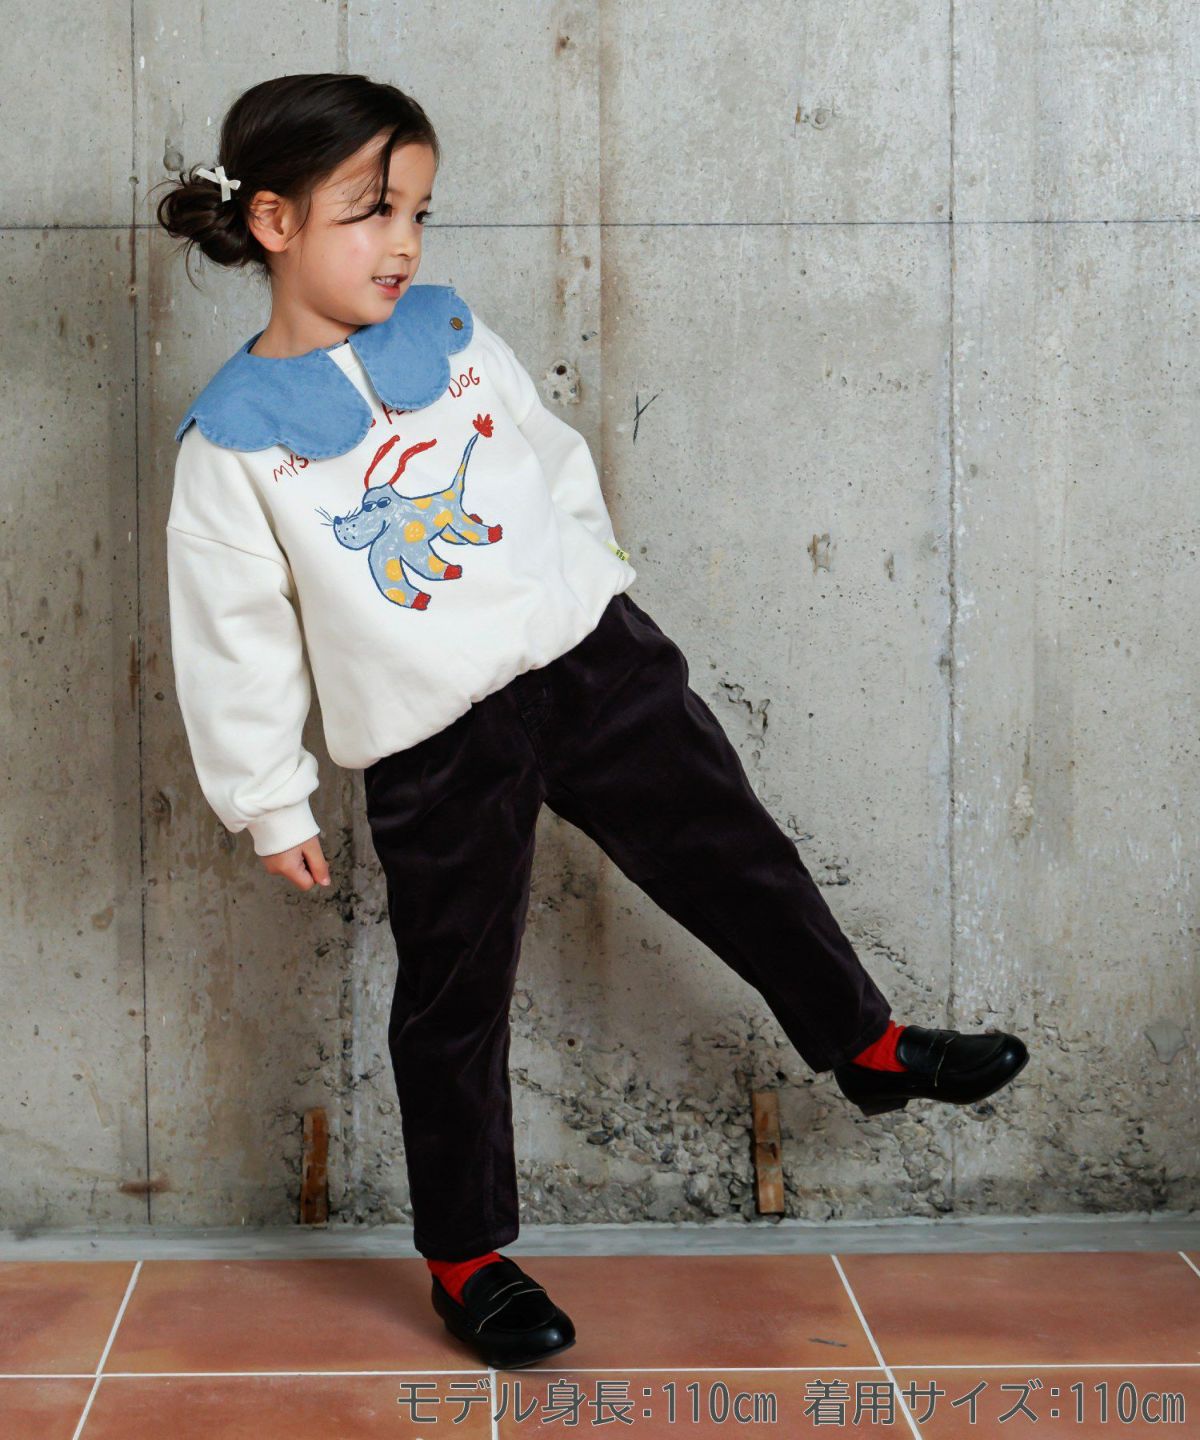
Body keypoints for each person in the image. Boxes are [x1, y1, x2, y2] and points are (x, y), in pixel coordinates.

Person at [154, 72, 1029, 1370]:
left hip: (591, 665)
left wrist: (593, 579)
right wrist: (267, 800)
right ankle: (467, 1258)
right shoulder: (231, 443)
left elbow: (550, 457)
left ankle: (869, 1044)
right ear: (273, 222)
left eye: (418, 211)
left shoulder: (452, 333)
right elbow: (234, 638)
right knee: (455, 993)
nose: (402, 242)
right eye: (370, 211)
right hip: (434, 739)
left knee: (736, 853)